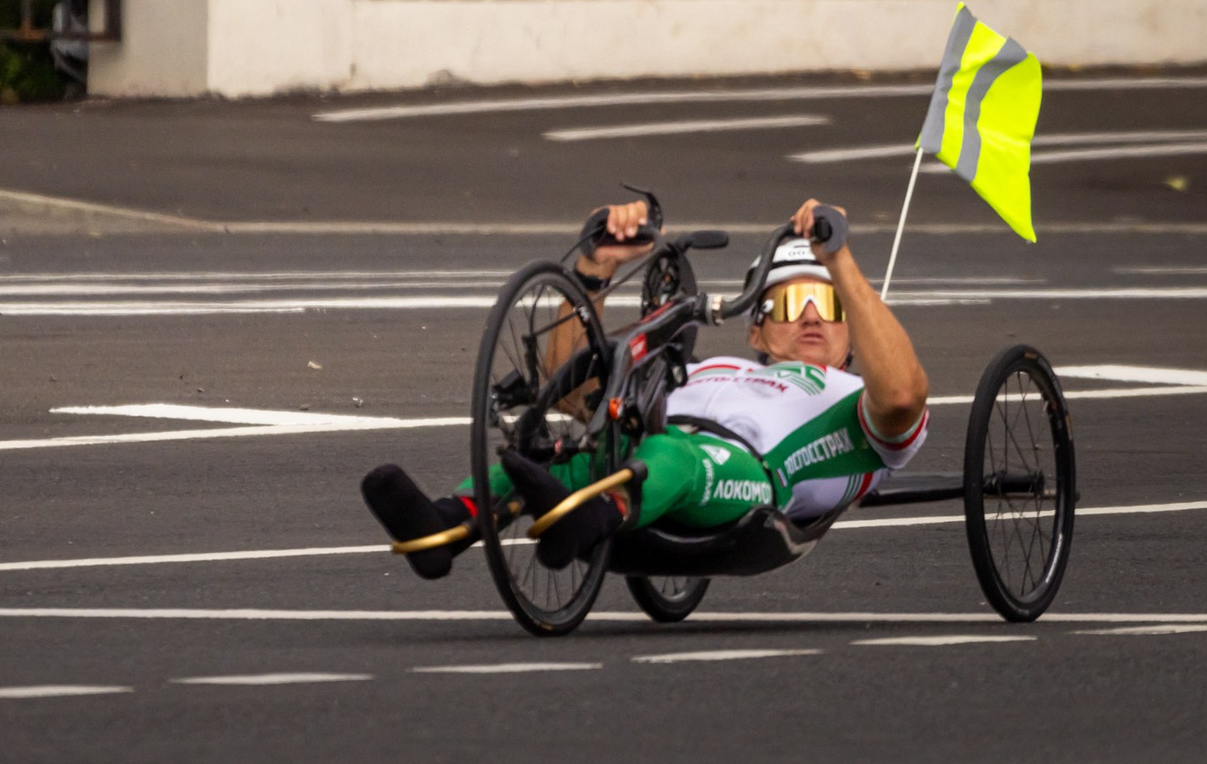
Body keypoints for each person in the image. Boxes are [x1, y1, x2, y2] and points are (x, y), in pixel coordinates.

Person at [361, 197, 928, 574]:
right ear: (755, 327)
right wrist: (594, 270)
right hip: (645, 456)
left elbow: (903, 395)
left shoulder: (857, 403)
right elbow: (573, 392)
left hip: (746, 482)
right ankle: (443, 526)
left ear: (854, 325)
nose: (809, 315)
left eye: (829, 303)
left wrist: (838, 258)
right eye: (788, 302)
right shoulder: (707, 370)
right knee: (557, 456)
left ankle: (587, 518)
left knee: (671, 455)